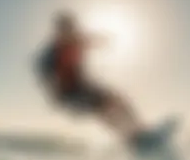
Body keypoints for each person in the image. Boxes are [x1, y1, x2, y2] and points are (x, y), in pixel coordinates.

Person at [34, 10, 146, 145]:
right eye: (66, 29)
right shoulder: (51, 53)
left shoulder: (77, 41)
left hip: (84, 87)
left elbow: (91, 40)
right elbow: (42, 70)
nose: (70, 32)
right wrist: (54, 92)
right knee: (104, 109)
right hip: (69, 95)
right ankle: (132, 140)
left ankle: (140, 132)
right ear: (59, 32)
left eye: (71, 28)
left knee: (117, 99)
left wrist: (105, 39)